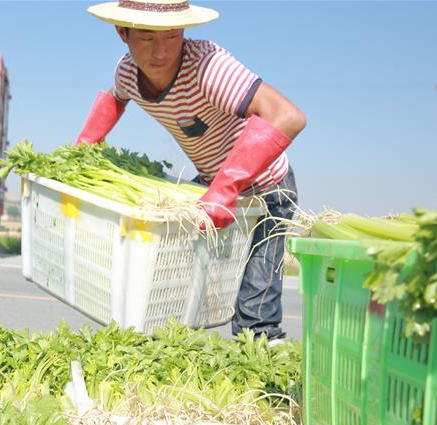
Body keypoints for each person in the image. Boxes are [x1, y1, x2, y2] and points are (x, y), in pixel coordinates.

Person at [77, 0, 306, 343]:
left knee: (254, 311)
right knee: (187, 297)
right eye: (147, 38)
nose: (161, 51)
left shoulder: (207, 67)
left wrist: (227, 188)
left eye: (172, 36)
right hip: (212, 188)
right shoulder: (128, 73)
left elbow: (288, 116)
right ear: (122, 33)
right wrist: (83, 147)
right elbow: (116, 97)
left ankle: (269, 381)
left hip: (266, 190)